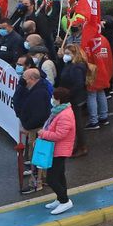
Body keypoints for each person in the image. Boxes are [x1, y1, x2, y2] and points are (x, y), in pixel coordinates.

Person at [38, 86, 77, 215]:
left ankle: (65, 201)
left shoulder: (64, 115)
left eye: (54, 97)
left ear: (59, 99)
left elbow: (59, 135)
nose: (52, 99)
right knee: (59, 175)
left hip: (59, 150)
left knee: (52, 178)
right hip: (56, 149)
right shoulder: (59, 111)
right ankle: (60, 198)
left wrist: (43, 134)